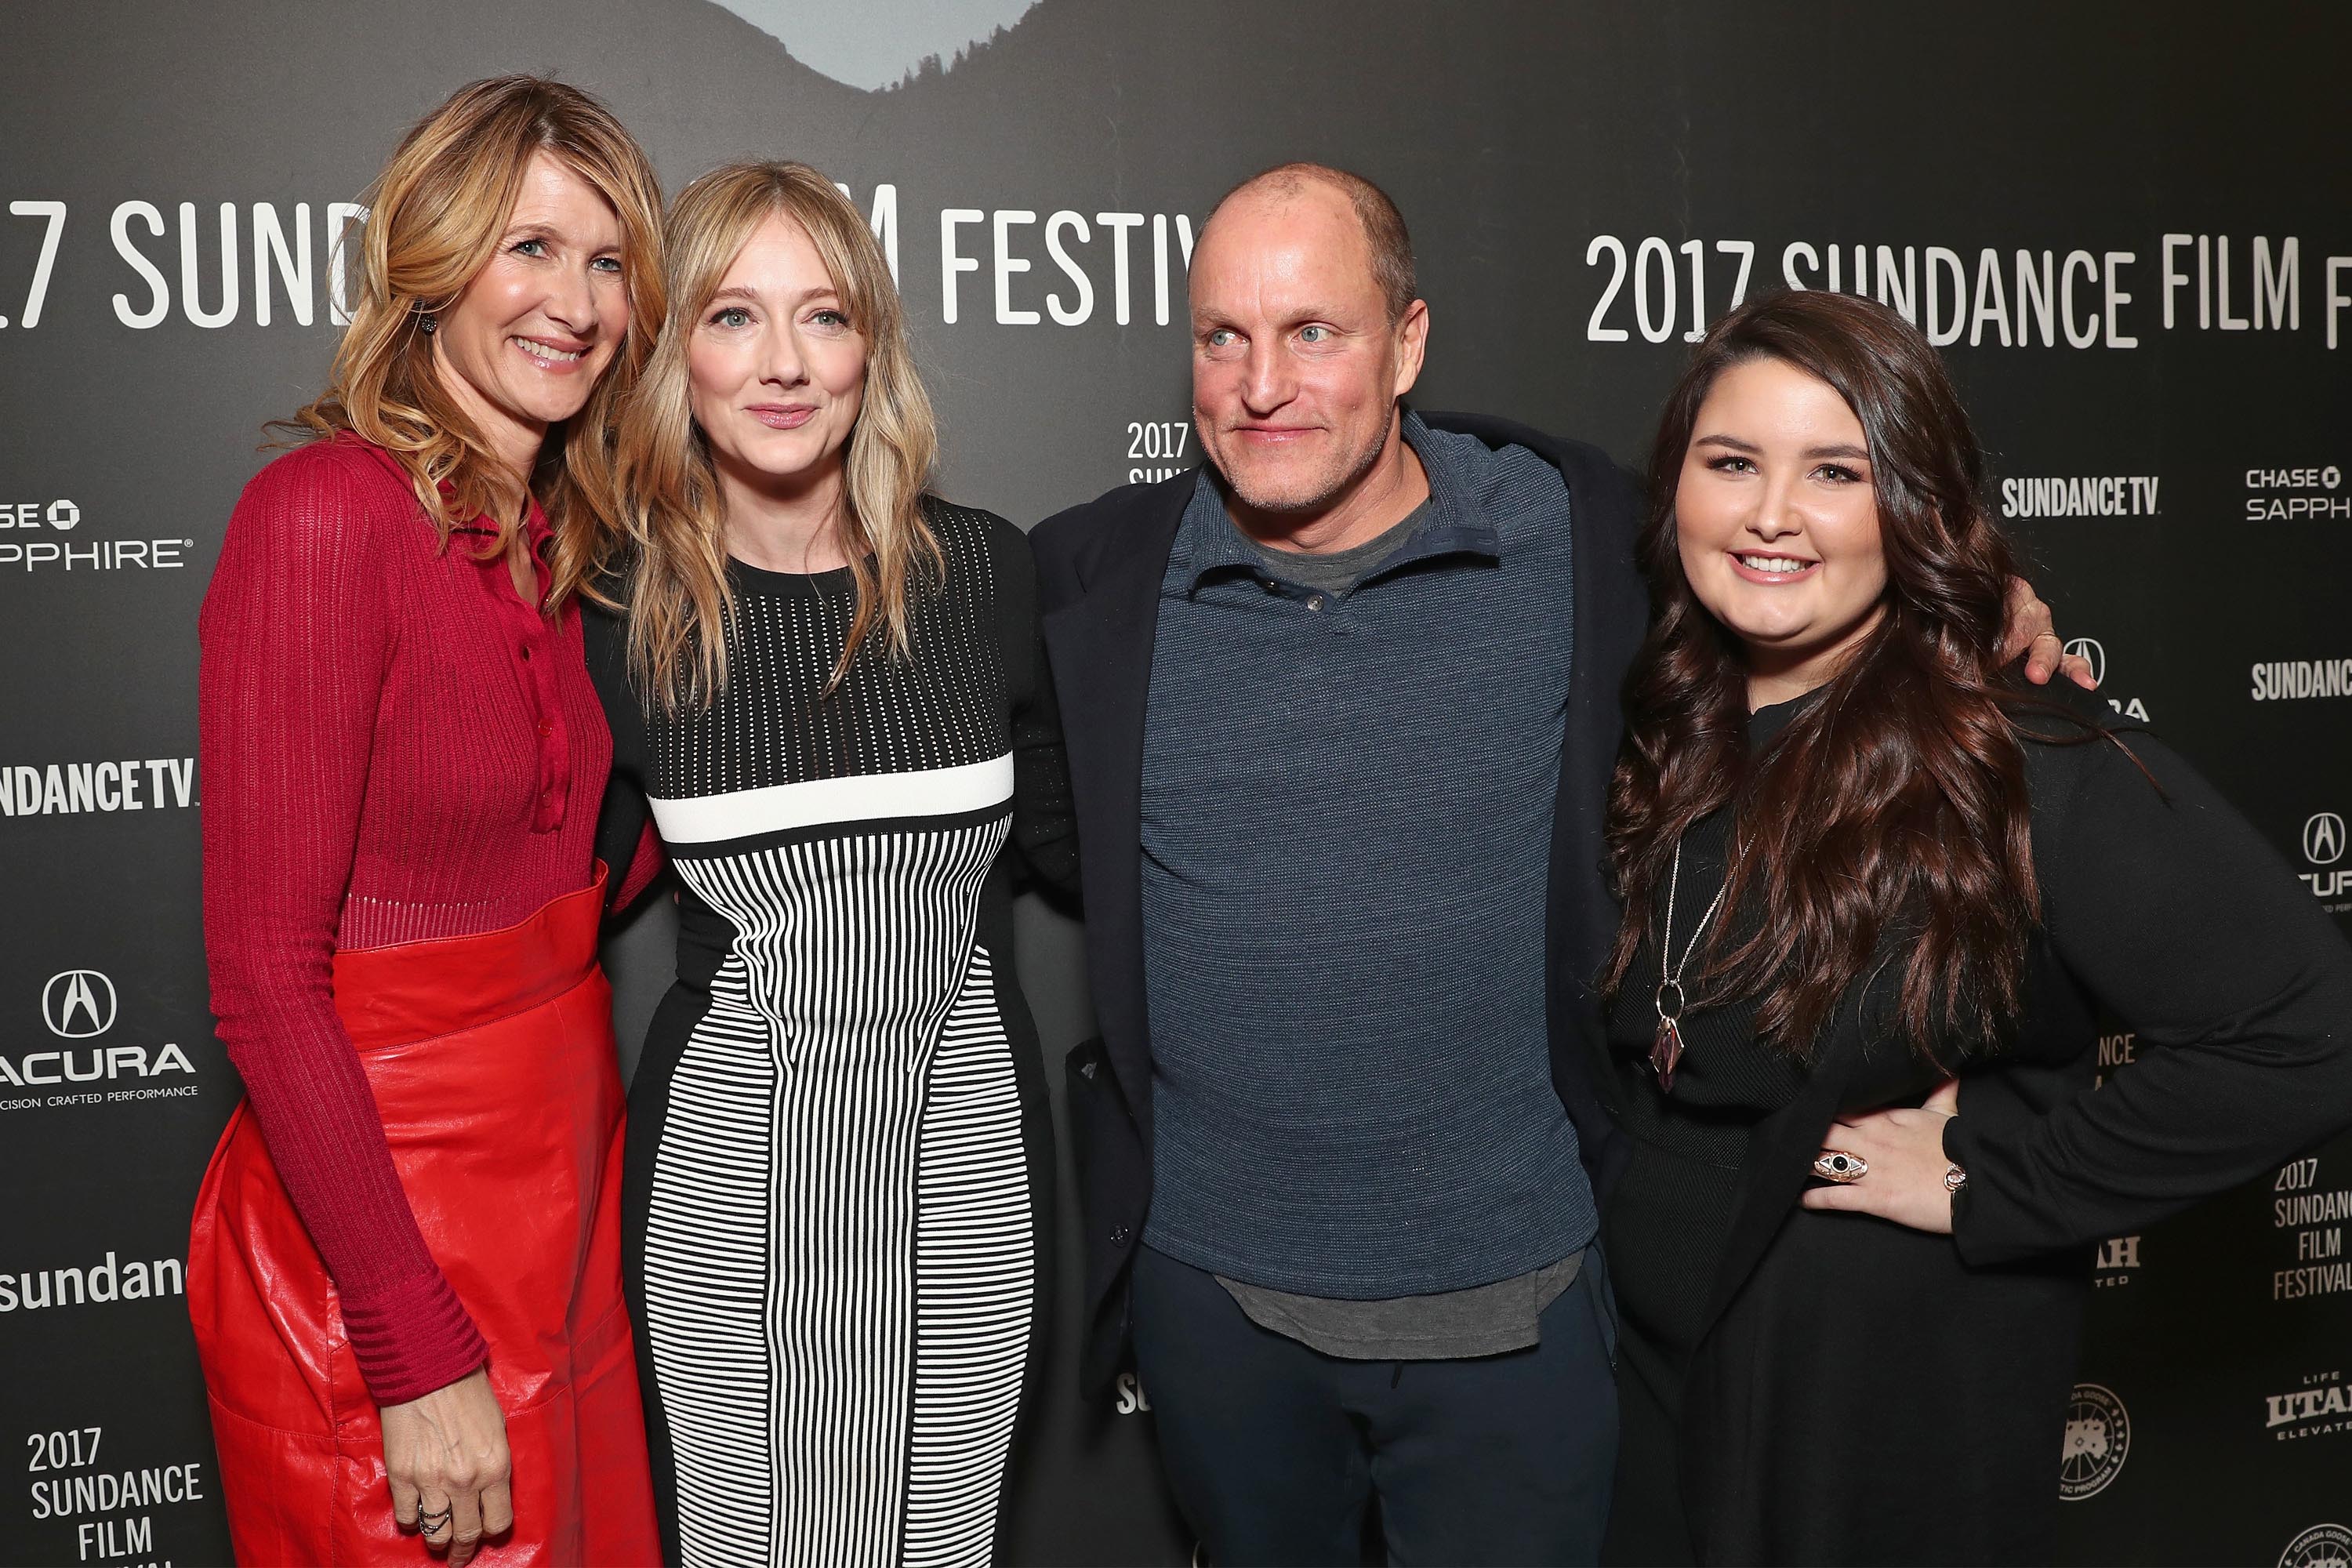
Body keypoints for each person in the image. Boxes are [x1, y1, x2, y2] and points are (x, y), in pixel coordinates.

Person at [1031, 164, 2086, 1566]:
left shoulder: (1575, 533)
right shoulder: (1092, 577)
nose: (1261, 384)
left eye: (1314, 333)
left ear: (1407, 344)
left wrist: (1970, 612)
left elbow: (1786, 574)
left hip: (1518, 1309)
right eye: (1223, 336)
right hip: (1217, 1315)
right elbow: (1049, 823)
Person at [1593, 288, 2352, 1566]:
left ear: (1914, 505)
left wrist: (2000, 1180)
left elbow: (2309, 1033)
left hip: (1868, 1422)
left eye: (1835, 471)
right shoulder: (1659, 713)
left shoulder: (2015, 753)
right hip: (1644, 1400)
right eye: (1732, 464)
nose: (1771, 514)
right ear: (1675, 489)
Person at [189, 77, 666, 1566]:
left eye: (605, 263)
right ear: (433, 265)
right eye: (528, 249)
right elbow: (268, 980)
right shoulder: (324, 516)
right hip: (383, 1241)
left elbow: (565, 855)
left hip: (557, 1219)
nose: (572, 303)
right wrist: (410, 1343)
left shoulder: (556, 547)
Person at [577, 162, 1079, 1568]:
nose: (786, 366)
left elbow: (1073, 839)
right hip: (728, 1188)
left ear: (877, 347)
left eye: (825, 317)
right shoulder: (619, 610)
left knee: (943, 1544)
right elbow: (543, 895)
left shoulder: (982, 577)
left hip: (962, 1170)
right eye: (734, 318)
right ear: (675, 352)